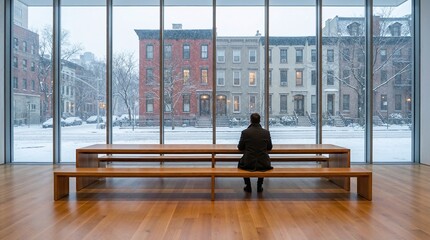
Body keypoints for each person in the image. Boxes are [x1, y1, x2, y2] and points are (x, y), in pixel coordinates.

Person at [237, 113, 273, 193]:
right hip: (264, 163)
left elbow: (240, 147)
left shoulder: (245, 132)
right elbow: (269, 147)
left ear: (250, 121)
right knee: (262, 163)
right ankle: (259, 185)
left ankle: (248, 185)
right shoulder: (266, 133)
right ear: (260, 121)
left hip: (248, 162)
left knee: (241, 163)